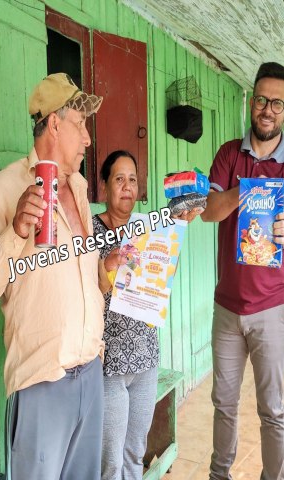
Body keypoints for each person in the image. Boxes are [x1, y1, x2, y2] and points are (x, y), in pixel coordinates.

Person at [0, 73, 105, 479]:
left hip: (89, 372)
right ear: (55, 124)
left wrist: (97, 340)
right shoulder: (7, 187)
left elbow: (83, 277)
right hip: (43, 381)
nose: (88, 139)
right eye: (81, 126)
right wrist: (16, 232)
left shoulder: (78, 187)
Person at [200, 61, 284, 480]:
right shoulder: (230, 155)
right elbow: (208, 212)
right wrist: (245, 191)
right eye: (262, 100)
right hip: (228, 309)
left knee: (272, 409)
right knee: (223, 403)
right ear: (252, 102)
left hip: (272, 308)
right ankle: (219, 474)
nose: (268, 109)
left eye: (278, 103)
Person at [93, 150, 158, 480]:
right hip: (110, 364)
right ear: (104, 187)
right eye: (119, 179)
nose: (127, 186)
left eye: (133, 179)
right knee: (111, 462)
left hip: (146, 356)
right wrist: (108, 264)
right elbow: (88, 290)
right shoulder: (90, 231)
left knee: (135, 453)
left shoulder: (147, 229)